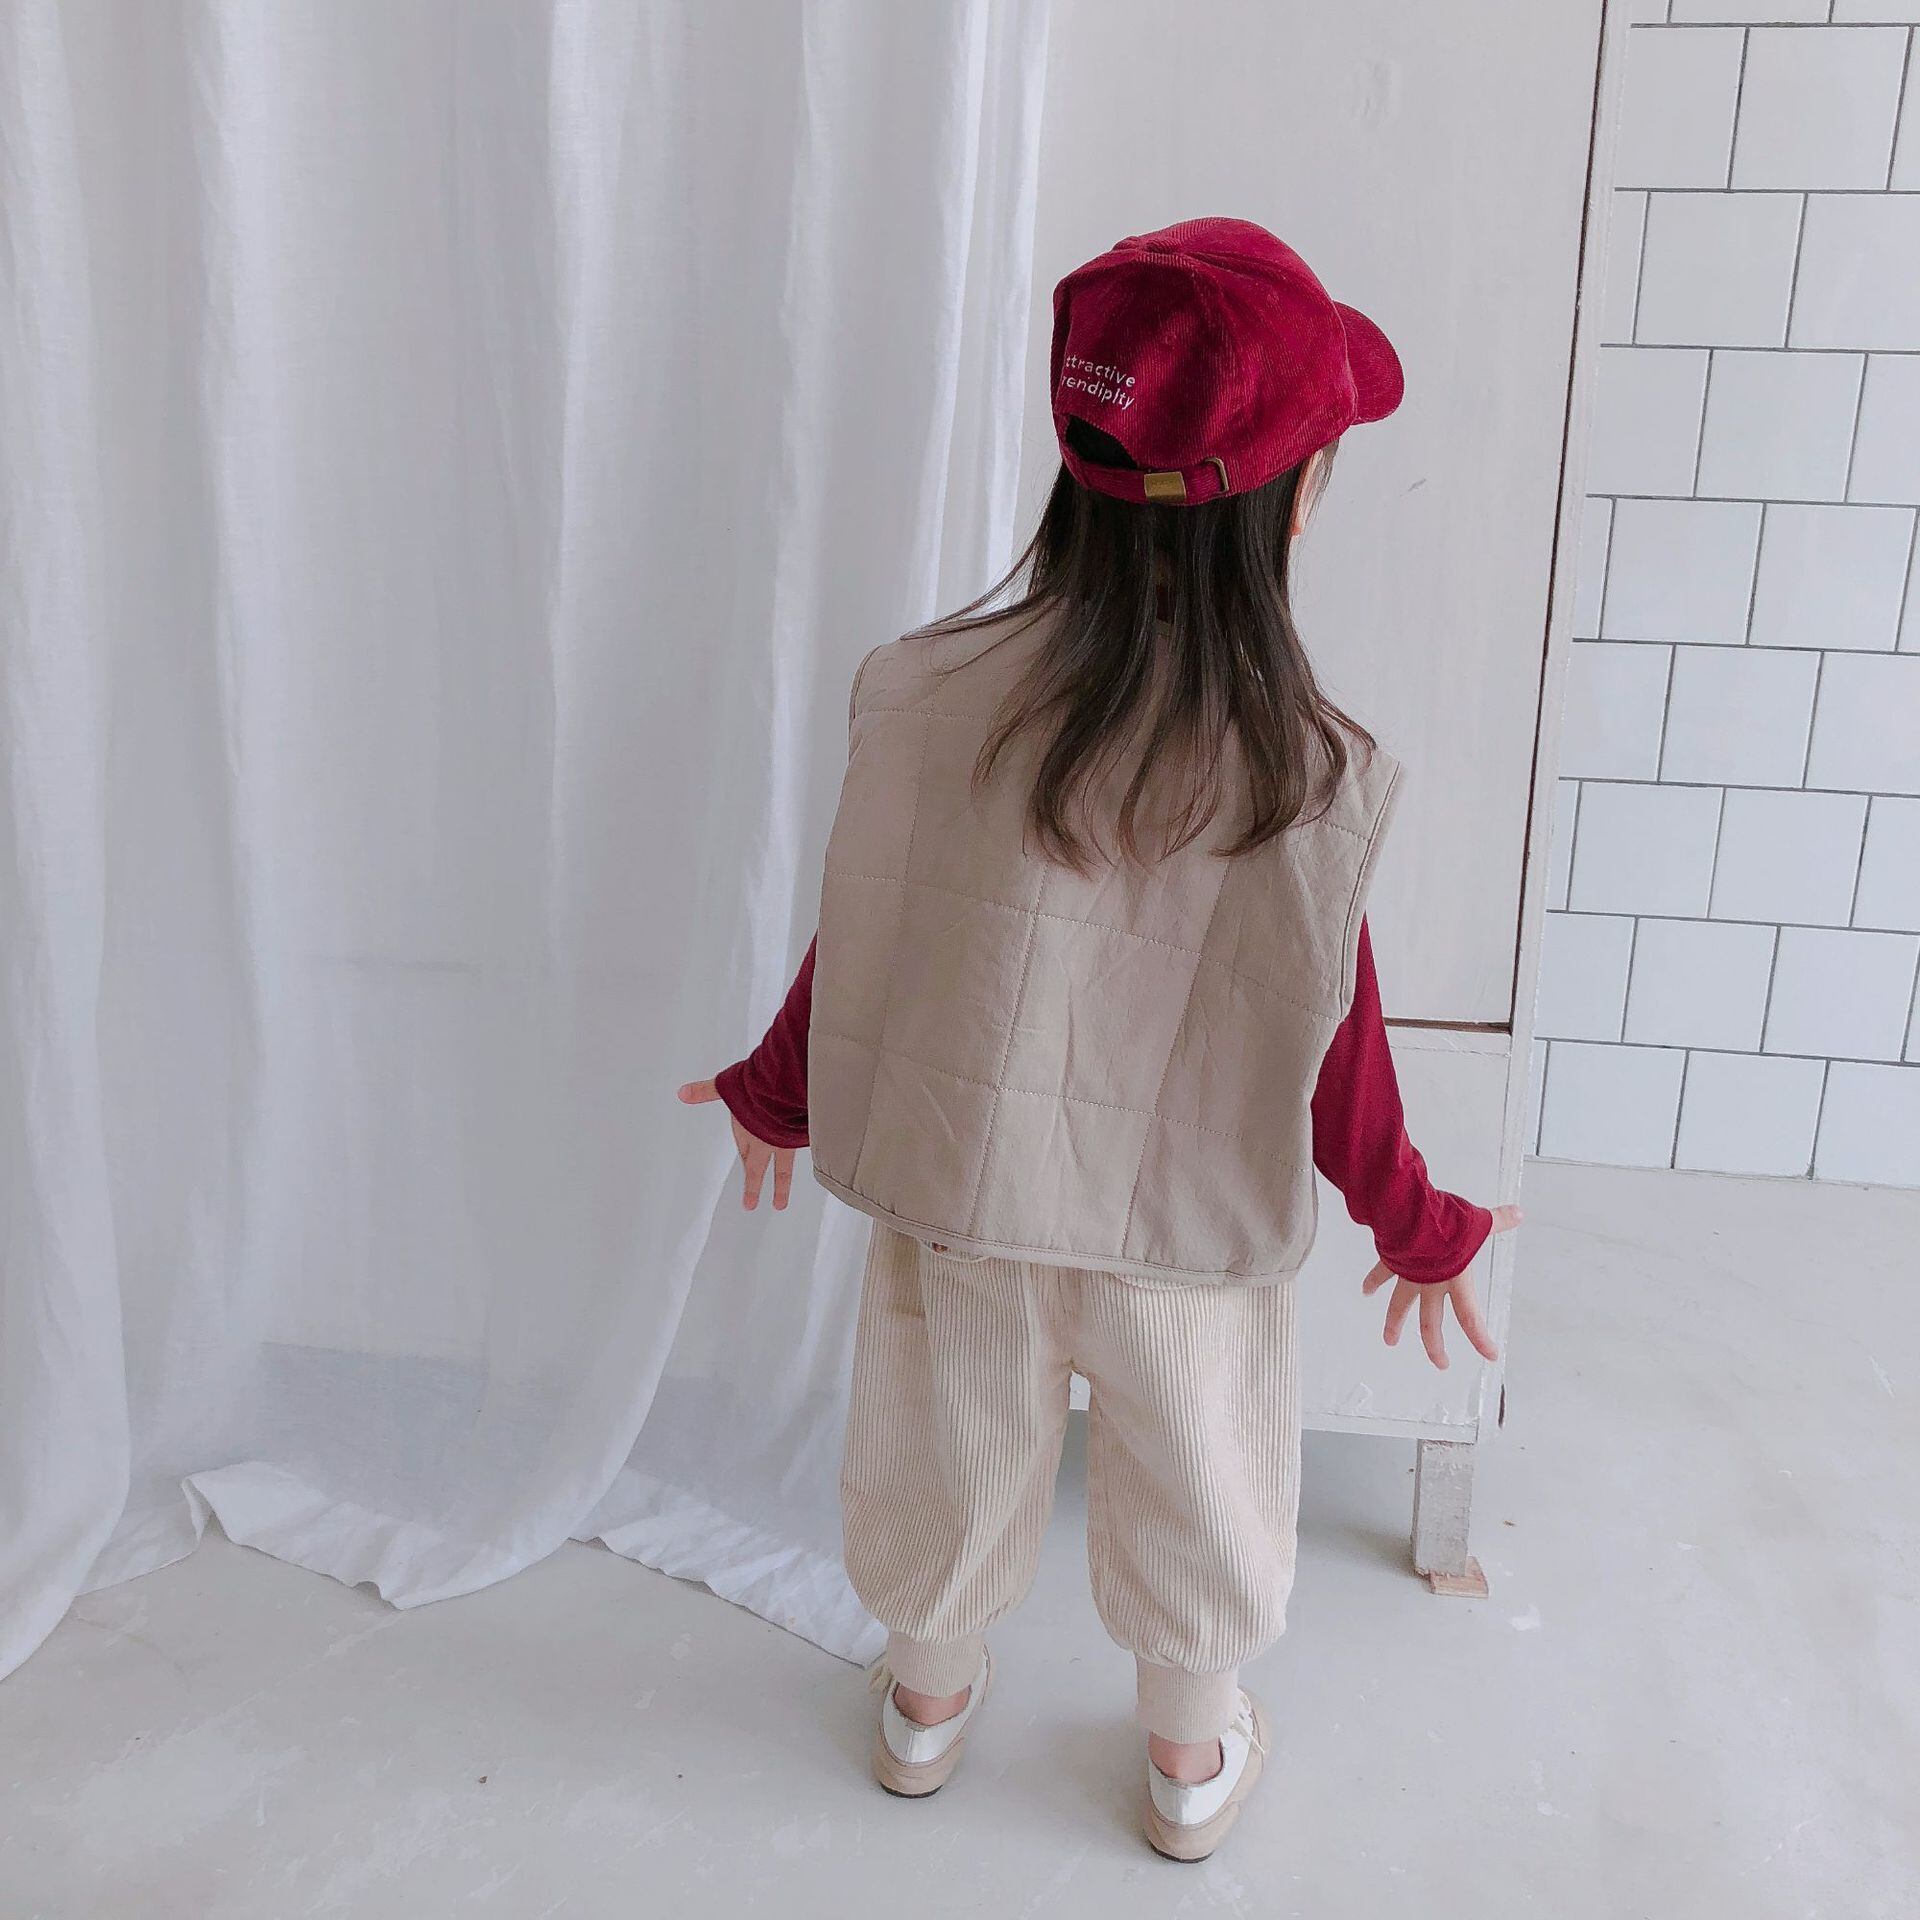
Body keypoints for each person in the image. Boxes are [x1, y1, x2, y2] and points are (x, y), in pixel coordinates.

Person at [679, 217, 1520, 1863]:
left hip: (967, 1197)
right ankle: (1188, 1764)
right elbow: (1334, 1041)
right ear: (1292, 501)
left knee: (943, 1457)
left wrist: (781, 1088)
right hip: (1177, 1233)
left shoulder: (938, 694)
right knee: (1200, 1485)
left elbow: (880, 918)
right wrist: (1418, 1224)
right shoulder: (1299, 772)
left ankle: (925, 1709)